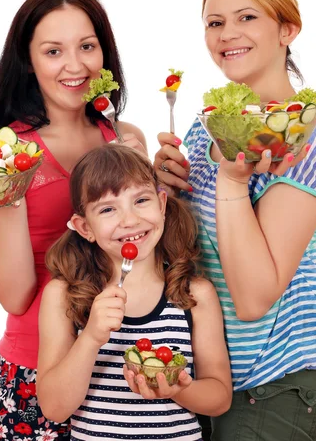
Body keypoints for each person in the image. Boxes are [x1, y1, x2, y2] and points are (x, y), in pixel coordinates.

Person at [154, 0, 316, 441]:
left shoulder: (303, 140)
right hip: (211, 370)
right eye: (215, 23)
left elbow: (253, 298)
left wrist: (232, 181)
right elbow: (197, 247)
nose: (227, 34)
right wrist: (163, 191)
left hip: (273, 380)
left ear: (287, 29)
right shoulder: (209, 123)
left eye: (247, 17)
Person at [0, 0, 147, 439]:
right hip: (33, 378)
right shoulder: (3, 155)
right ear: (28, 61)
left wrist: (161, 181)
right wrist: (7, 196)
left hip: (125, 376)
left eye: (87, 46)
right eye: (53, 51)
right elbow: (13, 296)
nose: (75, 65)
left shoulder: (126, 138)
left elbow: (149, 255)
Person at [36, 143, 232, 440]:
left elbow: (219, 397)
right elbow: (54, 407)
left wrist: (181, 388)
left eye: (141, 200)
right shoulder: (64, 294)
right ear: (84, 227)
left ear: (162, 205)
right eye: (107, 209)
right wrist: (90, 338)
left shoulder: (194, 294)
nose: (129, 220)